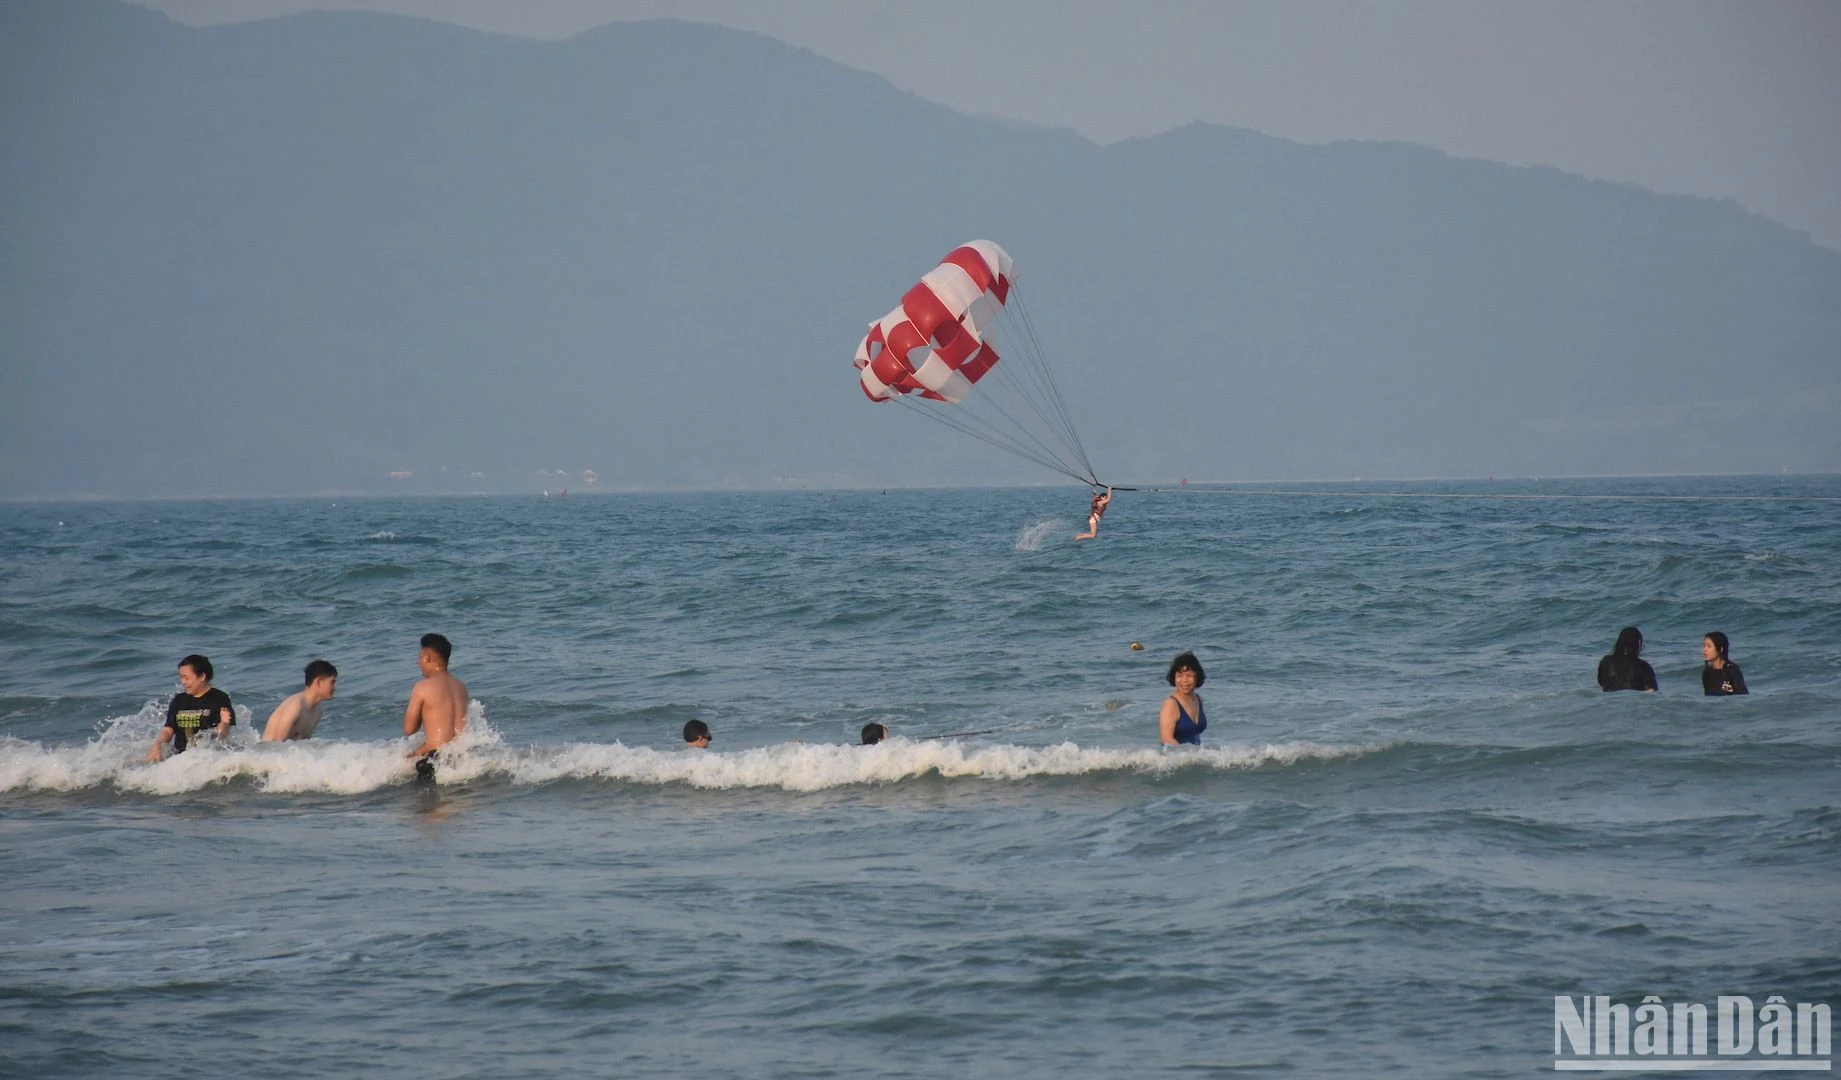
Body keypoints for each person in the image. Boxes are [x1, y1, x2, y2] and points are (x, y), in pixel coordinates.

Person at [146, 654, 235, 761]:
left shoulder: (219, 698)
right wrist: (157, 746)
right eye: (181, 677)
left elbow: (221, 736)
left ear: (202, 676)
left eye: (187, 678)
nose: (183, 682)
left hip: (208, 758)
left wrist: (224, 723)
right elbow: (168, 730)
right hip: (179, 758)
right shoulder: (179, 700)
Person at [404, 634, 468, 781]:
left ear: (427, 658)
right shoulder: (461, 687)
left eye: (419, 657)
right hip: (460, 759)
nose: (418, 662)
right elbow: (447, 734)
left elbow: (409, 729)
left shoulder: (422, 687)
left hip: (435, 760)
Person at [263, 659, 337, 741]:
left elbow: (304, 743)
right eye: (332, 682)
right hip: (266, 752)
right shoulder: (295, 706)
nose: (334, 688)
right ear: (318, 682)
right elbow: (276, 744)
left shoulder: (318, 710)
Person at [1158, 651, 1207, 746]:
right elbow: (1166, 739)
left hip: (1193, 757)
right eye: (1179, 676)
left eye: (1189, 676)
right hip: (1175, 758)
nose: (1184, 681)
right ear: (1174, 678)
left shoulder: (1198, 699)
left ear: (1196, 677)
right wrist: (1188, 755)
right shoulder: (1171, 704)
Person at [1596, 626, 1658, 692]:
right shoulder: (1644, 666)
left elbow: (1602, 684)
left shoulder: (1606, 662)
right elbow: (1652, 690)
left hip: (1610, 700)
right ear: (1639, 643)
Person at [1701, 631, 1749, 696]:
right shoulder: (1707, 673)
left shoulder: (1731, 670)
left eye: (1709, 646)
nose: (1704, 649)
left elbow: (1742, 695)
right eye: (1704, 646)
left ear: (1721, 649)